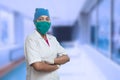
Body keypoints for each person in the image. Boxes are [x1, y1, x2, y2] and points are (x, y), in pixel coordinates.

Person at [24, 8, 70, 80]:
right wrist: (56, 66)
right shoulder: (31, 39)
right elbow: (38, 66)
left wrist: (50, 61)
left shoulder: (53, 39)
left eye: (47, 19)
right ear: (35, 22)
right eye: (41, 19)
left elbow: (66, 58)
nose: (44, 22)